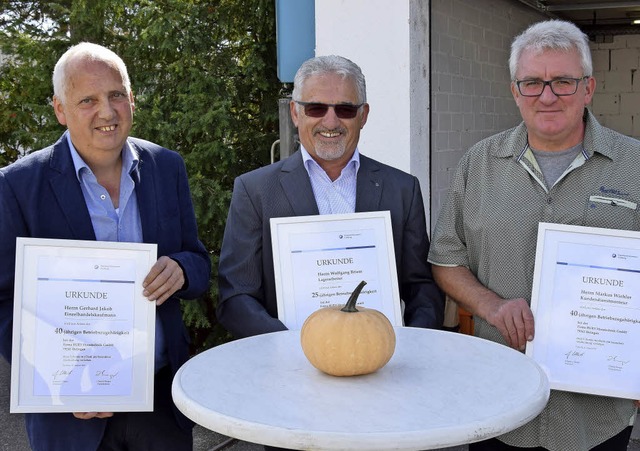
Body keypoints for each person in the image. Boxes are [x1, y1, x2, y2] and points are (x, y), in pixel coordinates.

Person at [428, 19, 638, 451]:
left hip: (595, 412)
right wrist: (493, 305)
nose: (547, 96)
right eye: (532, 83)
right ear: (515, 91)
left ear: (588, 88)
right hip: (497, 402)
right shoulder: (478, 164)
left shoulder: (634, 167)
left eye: (563, 81)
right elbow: (446, 260)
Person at [0, 42, 211, 451]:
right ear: (60, 109)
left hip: (160, 402)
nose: (107, 111)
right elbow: (3, 300)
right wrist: (52, 378)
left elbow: (199, 262)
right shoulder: (16, 185)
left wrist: (182, 270)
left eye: (116, 95)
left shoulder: (167, 167)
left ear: (131, 99)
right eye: (87, 100)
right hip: (69, 416)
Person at [217, 54, 444, 338]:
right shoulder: (256, 191)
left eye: (346, 109)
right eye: (316, 108)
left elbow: (421, 287)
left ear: (364, 115)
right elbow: (236, 296)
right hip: (289, 368)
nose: (331, 120)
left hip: (381, 364)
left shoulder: (402, 189)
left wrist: (408, 343)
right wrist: (292, 346)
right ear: (295, 113)